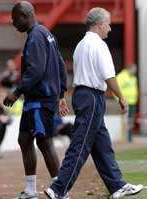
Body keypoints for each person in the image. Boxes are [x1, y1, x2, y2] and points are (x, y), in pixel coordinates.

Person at [45, 7, 143, 199]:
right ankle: (58, 189)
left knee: (103, 146)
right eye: (108, 23)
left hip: (84, 95)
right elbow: (109, 76)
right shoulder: (98, 45)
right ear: (99, 24)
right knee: (80, 145)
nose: (110, 28)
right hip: (92, 97)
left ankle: (117, 186)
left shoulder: (81, 44)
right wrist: (121, 97)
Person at [3, 1, 69, 199]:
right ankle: (31, 190)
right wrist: (62, 94)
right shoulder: (46, 34)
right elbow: (60, 65)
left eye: (15, 20)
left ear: (24, 15)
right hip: (36, 101)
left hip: (40, 100)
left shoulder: (35, 37)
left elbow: (36, 70)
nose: (14, 24)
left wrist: (16, 92)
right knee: (24, 139)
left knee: (44, 142)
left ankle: (61, 191)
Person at [116, 64, 138, 142]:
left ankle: (130, 137)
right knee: (125, 120)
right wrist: (118, 100)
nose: (135, 71)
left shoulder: (134, 78)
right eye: (134, 69)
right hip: (124, 102)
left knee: (130, 120)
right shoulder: (121, 77)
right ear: (129, 68)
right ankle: (124, 138)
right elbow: (116, 88)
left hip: (132, 102)